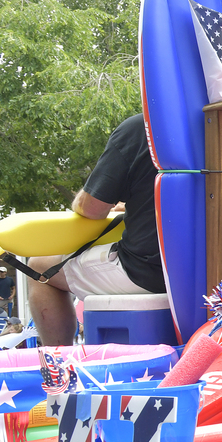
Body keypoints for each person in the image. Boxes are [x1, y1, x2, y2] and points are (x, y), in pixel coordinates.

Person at [29, 114, 166, 346]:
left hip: (150, 273)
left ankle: (60, 368)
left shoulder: (142, 127)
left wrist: (82, 201)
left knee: (40, 268)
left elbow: (91, 208)